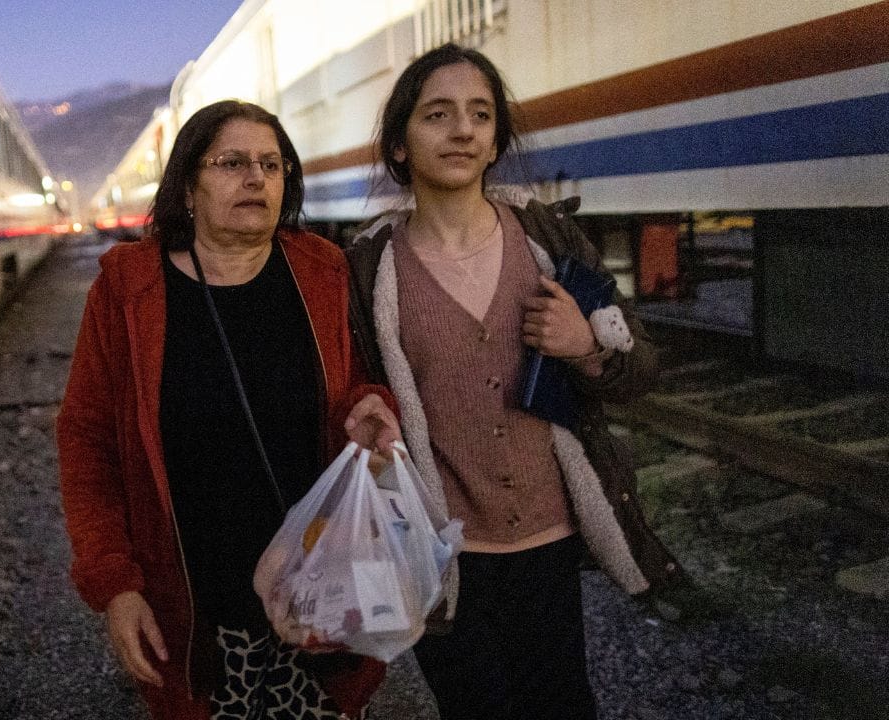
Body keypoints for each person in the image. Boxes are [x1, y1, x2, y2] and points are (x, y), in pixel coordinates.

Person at [344, 45, 687, 720]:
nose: (462, 130)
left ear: (497, 137)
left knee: (563, 704)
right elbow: (350, 389)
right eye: (437, 115)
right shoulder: (368, 270)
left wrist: (587, 347)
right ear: (400, 145)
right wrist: (364, 413)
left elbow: (640, 368)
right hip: (442, 552)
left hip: (548, 544)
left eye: (480, 114)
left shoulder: (547, 243)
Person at [57, 99, 402, 720]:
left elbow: (357, 384)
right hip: (196, 608)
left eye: (273, 165)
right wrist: (115, 584)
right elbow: (87, 441)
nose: (257, 178)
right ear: (188, 186)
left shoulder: (321, 270)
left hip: (315, 593)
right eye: (232, 163)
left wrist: (369, 407)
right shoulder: (128, 287)